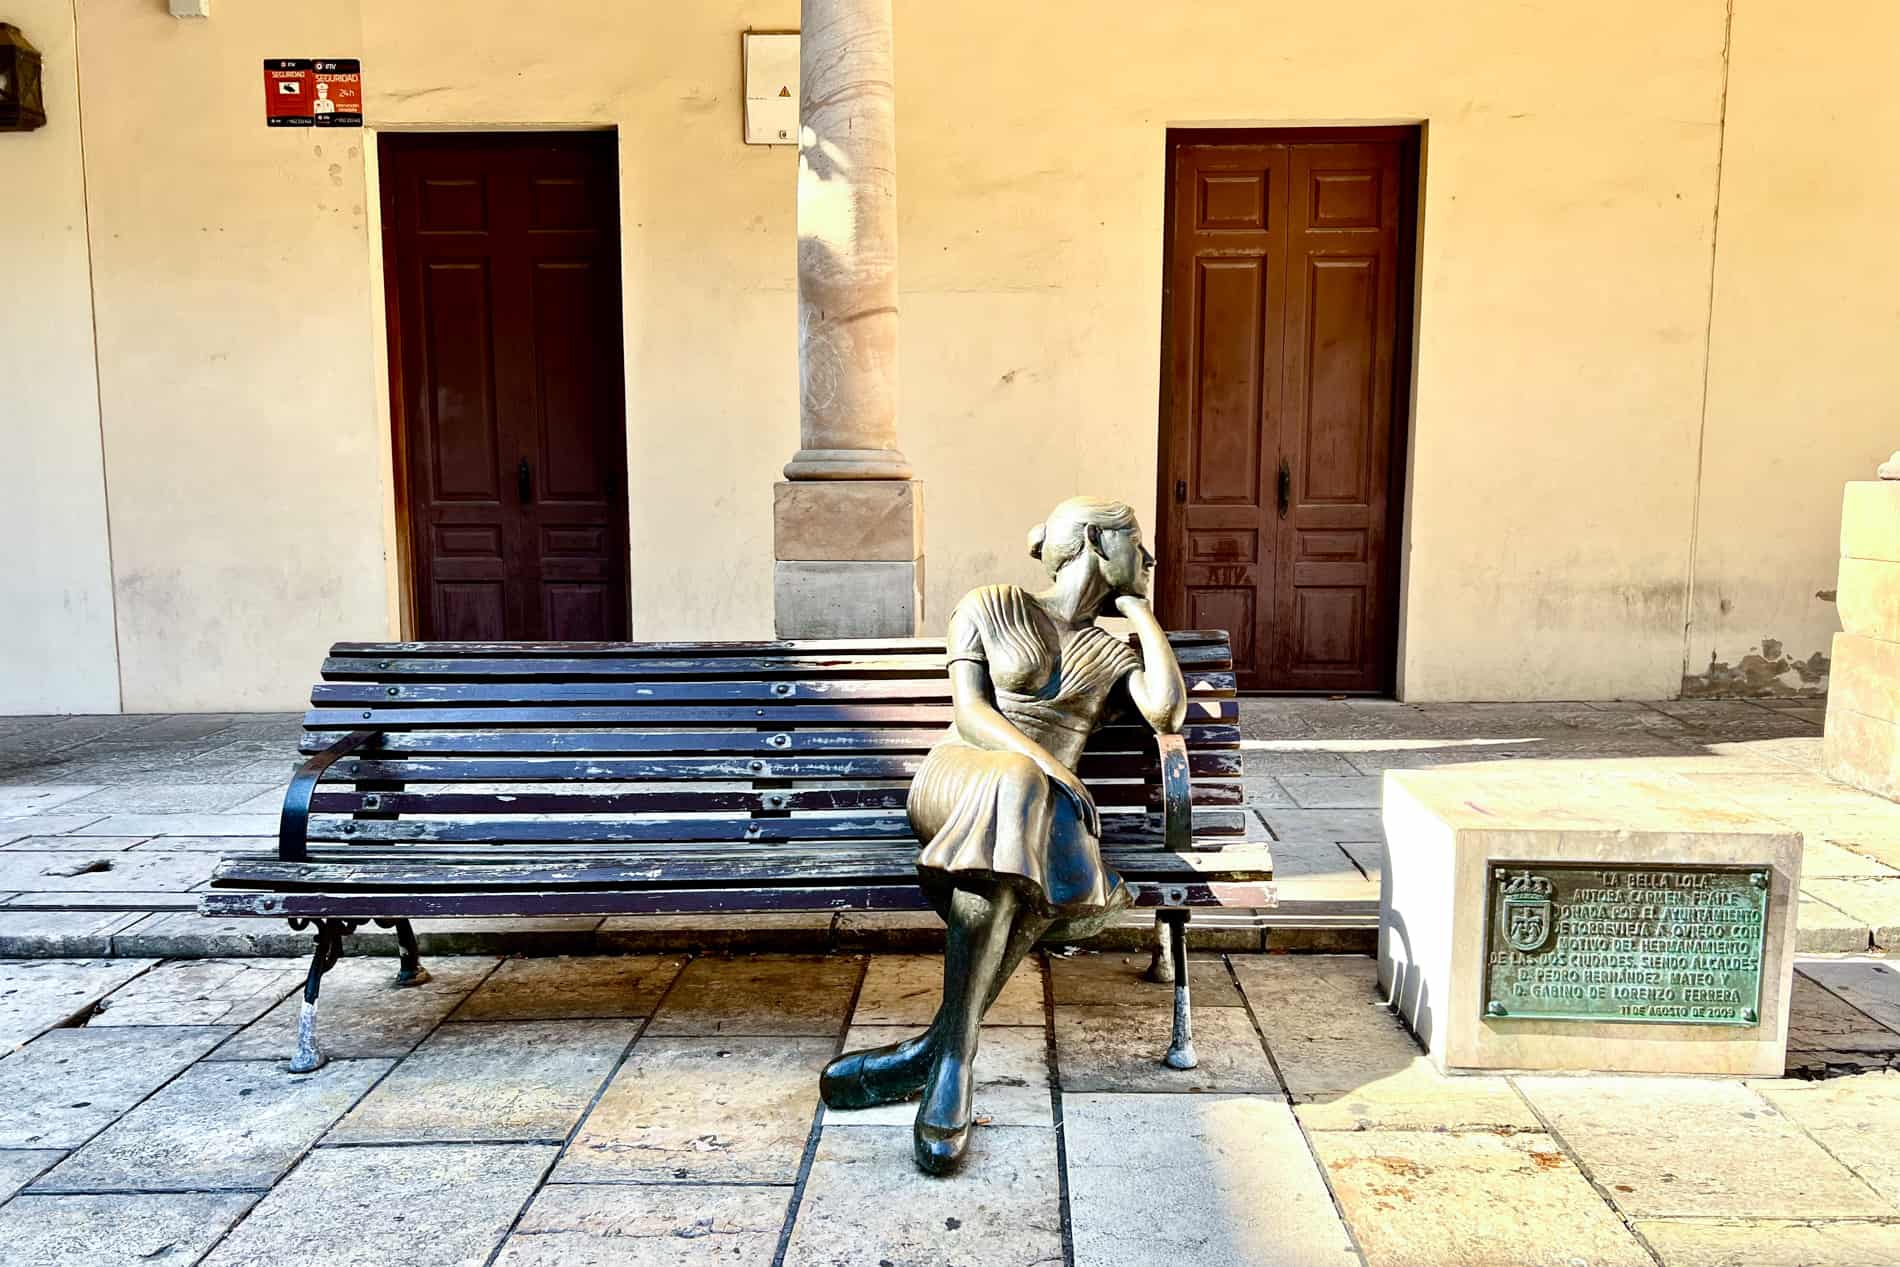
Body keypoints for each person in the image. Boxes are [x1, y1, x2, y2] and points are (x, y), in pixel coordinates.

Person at [820, 497, 1188, 1173]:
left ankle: (939, 1054)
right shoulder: (991, 602)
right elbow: (971, 711)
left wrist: (1139, 609)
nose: (1152, 558)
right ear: (1095, 542)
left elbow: (1167, 710)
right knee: (1016, 783)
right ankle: (952, 1059)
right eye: (1138, 544)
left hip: (1039, 817)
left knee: (1020, 828)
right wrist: (1050, 766)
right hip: (963, 778)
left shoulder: (1110, 650)